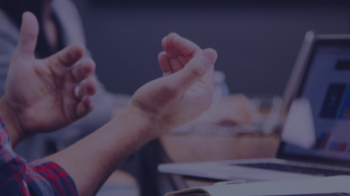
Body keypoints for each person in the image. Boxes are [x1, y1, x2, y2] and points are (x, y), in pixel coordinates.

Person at [0, 11, 217, 196]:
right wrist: (146, 117)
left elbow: (92, 99)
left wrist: (12, 116)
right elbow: (24, 190)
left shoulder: (62, 8)